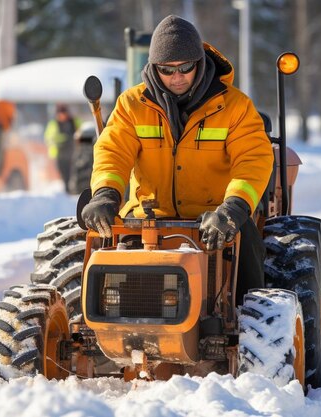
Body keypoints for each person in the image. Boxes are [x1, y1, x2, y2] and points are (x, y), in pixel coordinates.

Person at [81, 15, 273, 304]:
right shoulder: (132, 105)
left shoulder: (235, 106)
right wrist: (106, 193)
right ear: (153, 68)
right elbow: (113, 151)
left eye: (185, 68)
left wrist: (232, 209)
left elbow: (253, 159)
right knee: (111, 273)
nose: (177, 77)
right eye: (167, 70)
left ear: (200, 62)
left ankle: (250, 326)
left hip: (215, 220)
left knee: (246, 255)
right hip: (148, 220)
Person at [45, 104, 76, 191]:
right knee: (63, 172)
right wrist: (63, 138)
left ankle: (69, 188)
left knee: (71, 172)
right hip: (59, 153)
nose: (62, 116)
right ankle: (67, 188)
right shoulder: (54, 124)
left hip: (72, 152)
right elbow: (49, 137)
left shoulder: (73, 122)